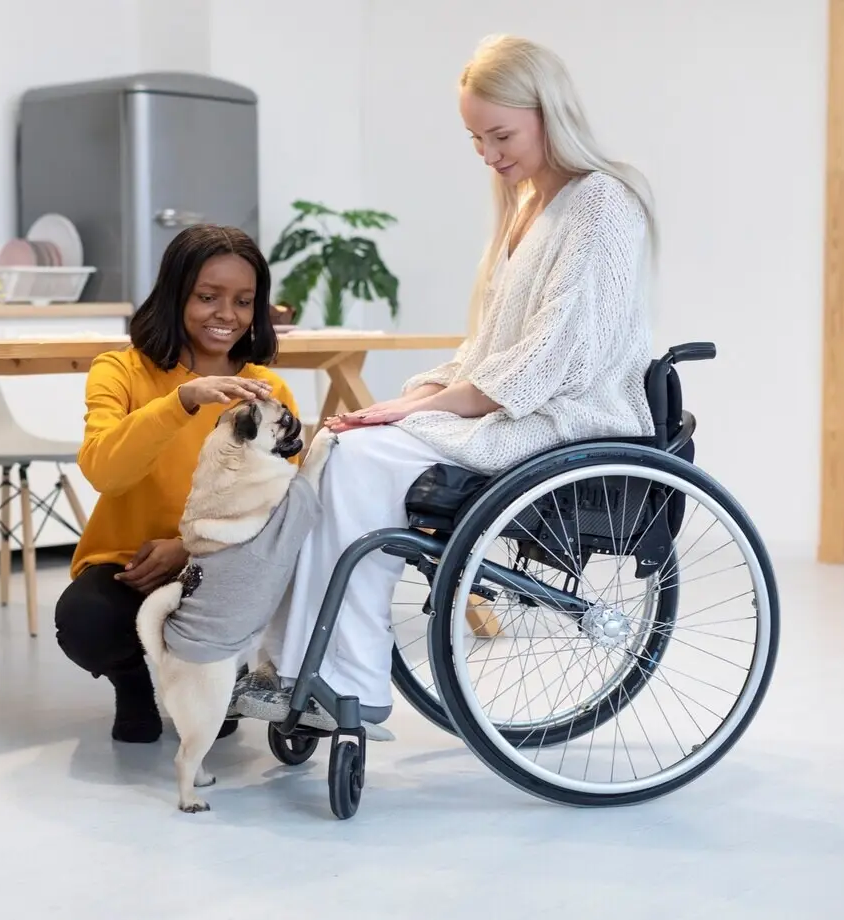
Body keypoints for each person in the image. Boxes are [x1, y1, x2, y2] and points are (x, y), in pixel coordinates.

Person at [235, 33, 660, 731]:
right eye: (475, 138)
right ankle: (291, 669)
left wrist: (416, 407)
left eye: (500, 135)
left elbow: (547, 359)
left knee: (363, 457)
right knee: (336, 448)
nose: (489, 155)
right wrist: (416, 399)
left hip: (566, 417)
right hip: (513, 405)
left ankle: (346, 682)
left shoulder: (601, 202)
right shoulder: (527, 206)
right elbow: (488, 350)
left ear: (549, 114)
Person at [55, 224, 301, 743]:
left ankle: (225, 674)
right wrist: (182, 401)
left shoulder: (266, 388)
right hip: (130, 565)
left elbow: (284, 504)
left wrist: (187, 550)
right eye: (207, 297)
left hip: (222, 571)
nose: (226, 315)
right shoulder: (120, 371)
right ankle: (130, 680)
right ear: (175, 295)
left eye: (243, 301)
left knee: (224, 729)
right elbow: (104, 470)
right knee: (86, 623)